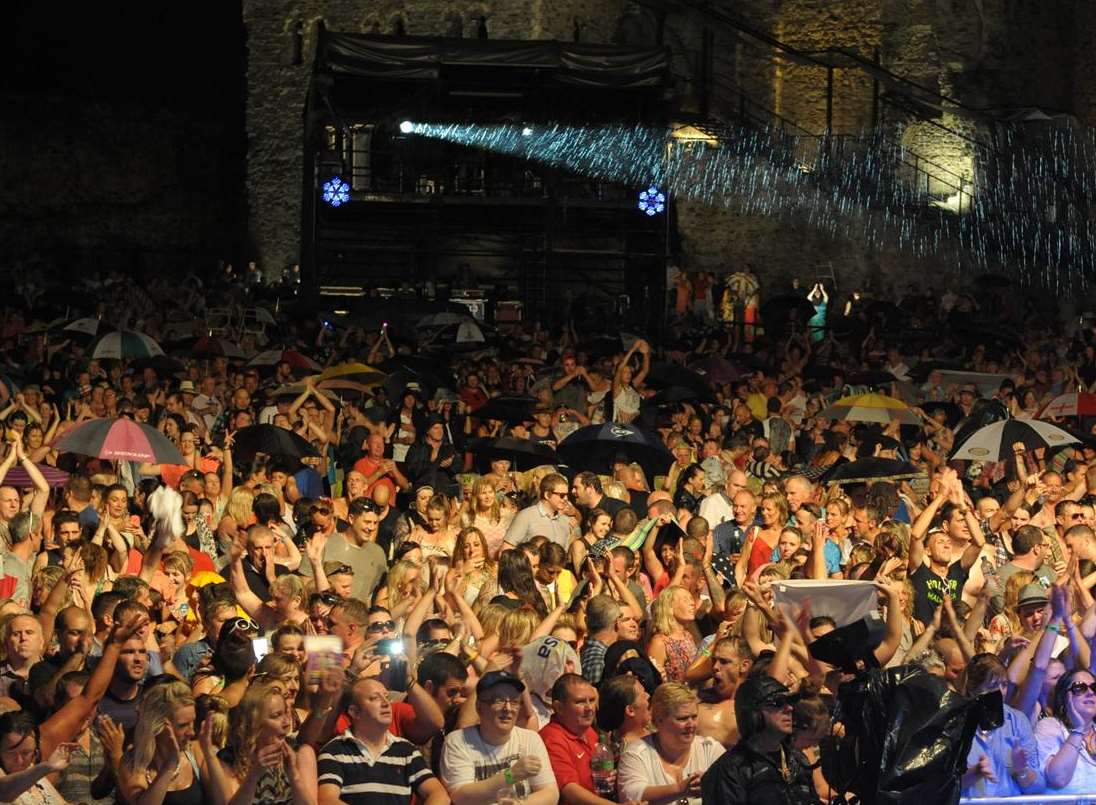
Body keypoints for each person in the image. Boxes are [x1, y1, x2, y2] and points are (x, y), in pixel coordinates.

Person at [318, 677, 448, 805]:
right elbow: (327, 800)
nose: (386, 703)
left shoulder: (406, 750)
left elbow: (439, 794)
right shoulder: (334, 751)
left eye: (387, 697)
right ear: (355, 712)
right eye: (375, 698)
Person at [440, 671, 558, 805]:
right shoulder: (458, 741)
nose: (508, 708)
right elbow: (460, 797)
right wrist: (511, 775)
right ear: (479, 707)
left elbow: (551, 794)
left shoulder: (530, 738)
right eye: (499, 700)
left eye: (514, 702)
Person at [699, 675, 817, 804]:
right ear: (753, 714)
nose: (789, 708)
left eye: (789, 702)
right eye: (778, 703)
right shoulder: (729, 771)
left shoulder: (798, 760)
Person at [540, 673, 641, 805]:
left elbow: (600, 780)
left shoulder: (588, 731)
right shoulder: (551, 738)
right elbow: (570, 791)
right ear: (559, 707)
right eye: (580, 702)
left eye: (592, 700)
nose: (589, 708)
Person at [617, 682, 724, 805]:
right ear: (659, 719)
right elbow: (631, 795)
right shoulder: (636, 753)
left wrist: (714, 784)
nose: (691, 725)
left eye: (694, 717)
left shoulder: (710, 749)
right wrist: (680, 789)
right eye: (682, 718)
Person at [960, 653, 1045, 797]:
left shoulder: (1018, 721)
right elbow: (942, 787)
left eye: (1004, 685)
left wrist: (1022, 770)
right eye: (993, 685)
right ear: (973, 689)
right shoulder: (956, 723)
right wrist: (976, 772)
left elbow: (1038, 788)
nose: (1000, 692)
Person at [1035, 667, 1096, 794]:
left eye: (1094, 687)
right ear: (1064, 698)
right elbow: (1058, 779)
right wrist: (1078, 730)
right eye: (1080, 688)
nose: (1090, 692)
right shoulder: (1050, 726)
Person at [503, 473, 573, 549]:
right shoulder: (526, 516)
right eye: (562, 495)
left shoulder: (565, 520)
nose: (566, 499)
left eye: (567, 495)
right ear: (547, 495)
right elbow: (506, 550)